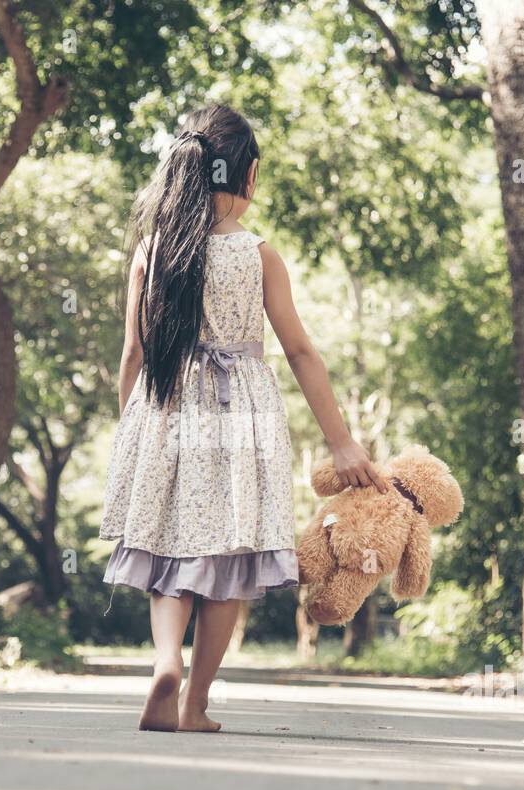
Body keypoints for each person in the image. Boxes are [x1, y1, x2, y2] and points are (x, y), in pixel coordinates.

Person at [99, 104, 386, 732]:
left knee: (167, 548)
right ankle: (195, 705)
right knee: (228, 561)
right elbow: (302, 351)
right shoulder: (259, 255)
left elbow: (131, 354)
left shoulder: (153, 251)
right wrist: (341, 443)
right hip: (241, 418)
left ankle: (164, 663)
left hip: (167, 409)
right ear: (248, 178)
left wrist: (133, 435)